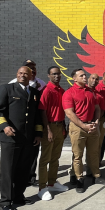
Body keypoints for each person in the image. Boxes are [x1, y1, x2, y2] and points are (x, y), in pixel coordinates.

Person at [0, 66, 43, 210]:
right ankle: (5, 201)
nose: (23, 75)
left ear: (31, 76)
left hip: (27, 139)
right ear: (17, 74)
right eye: (20, 73)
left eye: (26, 74)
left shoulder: (34, 93)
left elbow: (36, 116)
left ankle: (18, 197)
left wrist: (38, 133)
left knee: (23, 170)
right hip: (10, 138)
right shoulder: (7, 89)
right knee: (8, 171)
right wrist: (4, 126)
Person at [63, 69, 105, 193]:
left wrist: (96, 122)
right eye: (82, 75)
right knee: (77, 155)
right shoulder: (69, 93)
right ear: (75, 79)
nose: (85, 77)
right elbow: (69, 113)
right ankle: (79, 179)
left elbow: (97, 108)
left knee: (94, 153)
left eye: (85, 75)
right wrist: (83, 126)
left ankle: (96, 176)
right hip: (78, 127)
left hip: (92, 126)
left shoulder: (90, 92)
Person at [9, 60, 46, 186]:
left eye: (33, 68)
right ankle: (15, 179)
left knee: (33, 154)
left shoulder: (41, 83)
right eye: (29, 68)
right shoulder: (12, 84)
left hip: (33, 124)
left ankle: (30, 177)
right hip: (17, 128)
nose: (32, 70)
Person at [37, 66, 68, 201]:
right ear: (49, 75)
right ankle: (42, 188)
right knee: (45, 159)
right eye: (54, 74)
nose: (57, 76)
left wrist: (64, 127)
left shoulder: (61, 90)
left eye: (59, 74)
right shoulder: (47, 91)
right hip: (49, 127)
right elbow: (42, 111)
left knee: (55, 157)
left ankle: (52, 182)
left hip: (60, 126)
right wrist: (47, 129)